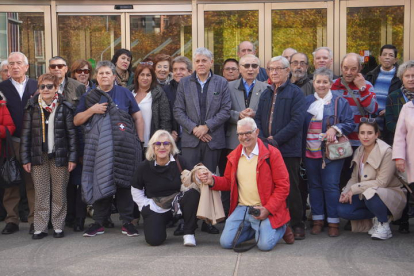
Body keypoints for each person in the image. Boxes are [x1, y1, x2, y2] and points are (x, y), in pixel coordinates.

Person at [198, 117, 291, 251]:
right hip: (242, 208)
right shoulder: (234, 156)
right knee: (226, 243)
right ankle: (257, 230)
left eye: (248, 133)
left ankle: (281, 226)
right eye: (240, 134)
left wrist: (268, 209)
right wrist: (212, 180)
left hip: (265, 206)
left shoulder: (272, 153)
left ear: (257, 132)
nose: (244, 137)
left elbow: (283, 186)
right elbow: (228, 182)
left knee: (264, 245)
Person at [74, 61, 144, 237]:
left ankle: (127, 222)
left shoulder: (124, 93)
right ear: (96, 77)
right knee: (101, 182)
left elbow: (137, 117)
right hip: (99, 150)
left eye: (107, 73)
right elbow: (77, 120)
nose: (104, 76)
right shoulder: (89, 96)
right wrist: (92, 110)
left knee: (124, 185)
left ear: (114, 76)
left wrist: (139, 141)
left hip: (124, 148)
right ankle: (98, 222)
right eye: (101, 73)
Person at [174, 47, 231, 234]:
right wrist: (195, 129)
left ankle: (208, 220)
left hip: (213, 140)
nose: (200, 64)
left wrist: (206, 127)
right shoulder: (184, 83)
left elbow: (225, 110)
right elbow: (178, 111)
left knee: (209, 180)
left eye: (204, 60)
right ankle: (187, 221)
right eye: (197, 61)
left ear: (211, 62)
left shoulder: (221, 83)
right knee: (189, 180)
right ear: (194, 64)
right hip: (191, 141)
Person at [20, 73, 77, 239]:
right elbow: (25, 135)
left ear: (56, 88)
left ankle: (58, 226)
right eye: (42, 86)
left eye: (49, 86)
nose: (45, 89)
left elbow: (72, 135)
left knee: (59, 192)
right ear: (38, 89)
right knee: (41, 193)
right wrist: (25, 158)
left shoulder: (64, 106)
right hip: (38, 156)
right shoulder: (31, 106)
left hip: (60, 155)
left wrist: (72, 158)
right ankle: (40, 227)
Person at [255, 56, 306, 240]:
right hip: (266, 149)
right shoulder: (266, 93)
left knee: (291, 187)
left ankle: (297, 224)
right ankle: (275, 221)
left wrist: (275, 140)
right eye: (271, 69)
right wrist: (261, 139)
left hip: (287, 150)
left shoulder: (295, 93)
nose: (274, 72)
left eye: (278, 69)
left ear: (287, 71)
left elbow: (297, 122)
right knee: (270, 188)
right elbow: (258, 119)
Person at [303, 68, 355, 237]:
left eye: (325, 82)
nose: (322, 85)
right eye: (318, 81)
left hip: (332, 152)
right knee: (315, 186)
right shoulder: (306, 101)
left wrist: (335, 128)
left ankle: (333, 221)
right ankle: (318, 219)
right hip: (310, 151)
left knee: (331, 186)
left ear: (331, 84)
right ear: (314, 83)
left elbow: (350, 123)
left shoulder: (340, 102)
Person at [337, 120, 406, 240]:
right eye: (362, 133)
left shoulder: (386, 152)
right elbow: (354, 177)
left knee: (371, 194)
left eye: (369, 133)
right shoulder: (359, 151)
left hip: (388, 193)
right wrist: (346, 191)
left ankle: (384, 224)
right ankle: (378, 216)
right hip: (365, 193)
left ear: (376, 134)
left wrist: (354, 189)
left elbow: (382, 182)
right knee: (342, 209)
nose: (365, 136)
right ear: (358, 135)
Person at [131, 130, 200, 246]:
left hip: (177, 205)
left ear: (171, 146)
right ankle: (162, 223)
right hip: (156, 206)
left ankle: (189, 233)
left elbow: (193, 178)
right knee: (154, 240)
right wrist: (144, 206)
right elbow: (136, 187)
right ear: (152, 147)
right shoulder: (144, 166)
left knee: (193, 193)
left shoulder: (180, 161)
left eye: (166, 143)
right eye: (157, 144)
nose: (161, 147)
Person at [220, 54, 268, 217]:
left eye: (254, 66)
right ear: (239, 69)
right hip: (233, 140)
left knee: (255, 179)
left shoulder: (266, 87)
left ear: (259, 69)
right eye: (246, 66)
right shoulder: (227, 86)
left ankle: (257, 212)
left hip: (256, 142)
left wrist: (256, 114)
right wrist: (237, 115)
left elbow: (268, 114)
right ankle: (230, 214)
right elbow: (222, 111)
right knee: (232, 179)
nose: (250, 69)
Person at [0, 52, 37, 235]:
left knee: (33, 182)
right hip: (10, 142)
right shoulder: (1, 88)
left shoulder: (37, 85)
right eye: (11, 64)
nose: (15, 67)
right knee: (11, 180)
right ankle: (12, 219)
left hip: (33, 142)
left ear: (26, 67)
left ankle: (33, 220)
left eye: (18, 63)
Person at [331, 53, 378, 191]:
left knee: (358, 178)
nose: (348, 72)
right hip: (339, 141)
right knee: (340, 178)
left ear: (360, 68)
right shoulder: (334, 85)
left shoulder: (366, 85)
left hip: (359, 142)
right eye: (345, 68)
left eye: (353, 69)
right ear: (341, 67)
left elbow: (373, 109)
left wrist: (362, 88)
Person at [392, 64, 414, 232]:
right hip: (410, 157)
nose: (411, 79)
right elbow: (399, 135)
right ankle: (404, 221)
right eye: (408, 76)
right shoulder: (407, 107)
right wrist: (399, 157)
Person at [132, 63, 171, 149]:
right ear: (137, 76)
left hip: (152, 143)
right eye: (142, 74)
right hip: (131, 142)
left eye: (148, 75)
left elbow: (165, 119)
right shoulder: (129, 92)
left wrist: (162, 142)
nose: (145, 78)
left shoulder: (158, 93)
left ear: (152, 77)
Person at [366, 45, 401, 134]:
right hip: (371, 122)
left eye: (390, 55)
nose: (387, 57)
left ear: (395, 60)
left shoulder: (400, 78)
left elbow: (404, 100)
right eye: (384, 54)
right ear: (379, 58)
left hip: (390, 121)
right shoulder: (370, 76)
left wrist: (389, 109)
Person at [163, 56, 192, 144]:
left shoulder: (197, 89)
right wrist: (169, 131)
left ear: (190, 72)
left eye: (182, 69)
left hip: (194, 136)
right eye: (175, 69)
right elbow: (164, 114)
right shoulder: (165, 90)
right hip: (174, 137)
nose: (178, 72)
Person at [385, 60, 413, 145]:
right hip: (400, 142)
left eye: (413, 75)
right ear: (402, 78)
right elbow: (389, 123)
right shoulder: (393, 96)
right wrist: (408, 131)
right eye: (407, 76)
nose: (411, 79)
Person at [0, 91, 15, 222]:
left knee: (8, 188)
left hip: (2, 154)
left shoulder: (2, 106)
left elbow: (10, 128)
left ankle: (11, 219)